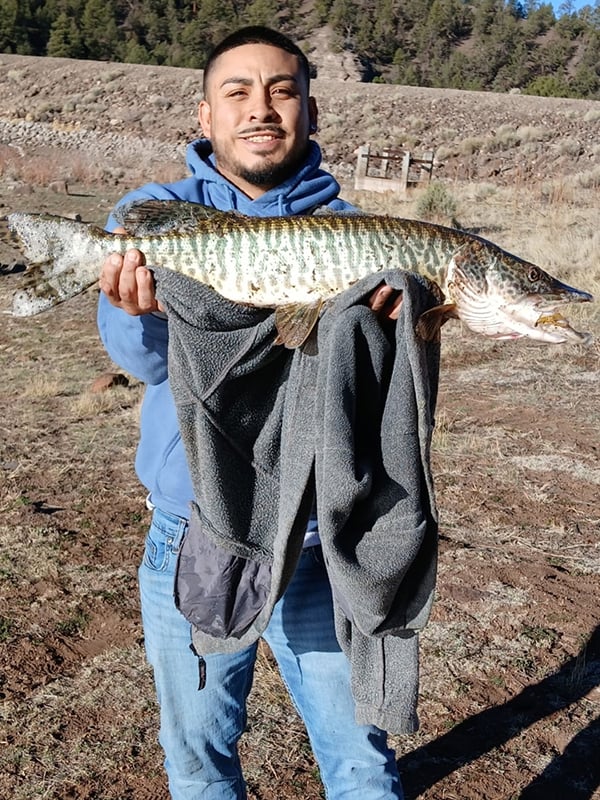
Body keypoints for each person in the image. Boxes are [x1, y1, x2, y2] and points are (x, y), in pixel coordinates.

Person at [98, 26, 428, 800]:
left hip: (319, 538)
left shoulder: (360, 236)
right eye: (238, 92)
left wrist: (399, 330)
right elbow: (145, 364)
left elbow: (375, 399)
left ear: (311, 112)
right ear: (205, 115)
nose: (262, 109)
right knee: (198, 756)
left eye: (283, 91)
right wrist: (136, 309)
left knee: (362, 762)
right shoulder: (153, 213)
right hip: (197, 531)